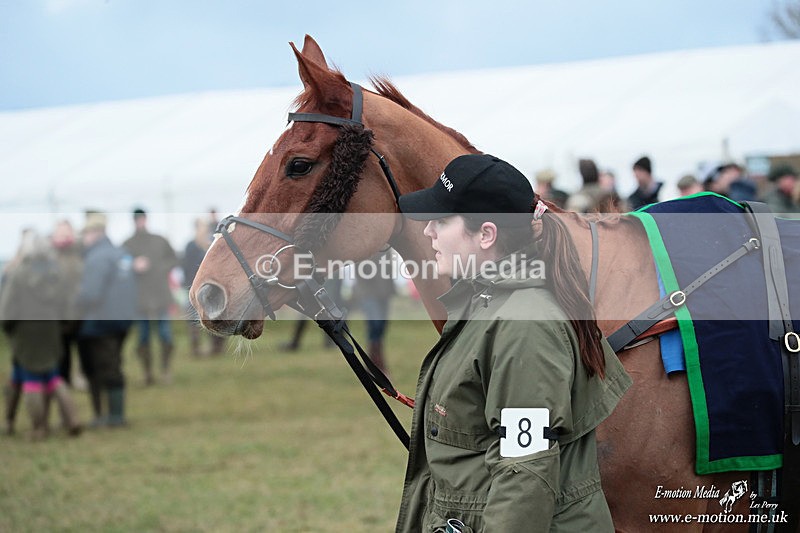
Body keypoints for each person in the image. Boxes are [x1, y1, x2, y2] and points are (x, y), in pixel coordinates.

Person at [394, 154, 631, 532]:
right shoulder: (488, 302)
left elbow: (526, 468)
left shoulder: (525, 325)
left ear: (486, 234)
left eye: (441, 221)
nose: (428, 233)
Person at [0, 231, 82, 439]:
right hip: (51, 332)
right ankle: (72, 419)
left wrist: (8, 329)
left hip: (25, 334)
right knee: (53, 377)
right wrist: (64, 327)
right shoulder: (57, 273)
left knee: (30, 380)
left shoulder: (18, 274)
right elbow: (67, 305)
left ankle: (39, 427)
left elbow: (7, 309)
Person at [76, 212, 136, 427]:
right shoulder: (122, 254)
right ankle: (114, 414)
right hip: (122, 320)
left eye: (85, 233)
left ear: (95, 233)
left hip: (99, 324)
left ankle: (110, 416)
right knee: (115, 364)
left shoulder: (96, 257)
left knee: (102, 369)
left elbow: (91, 294)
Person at [123, 208, 178, 385]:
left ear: (146, 219)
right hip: (140, 298)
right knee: (143, 339)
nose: (140, 222)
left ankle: (166, 370)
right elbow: (120, 265)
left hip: (161, 295)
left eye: (142, 219)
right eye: (137, 219)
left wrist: (160, 267)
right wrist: (133, 265)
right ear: (134, 221)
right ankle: (147, 373)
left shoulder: (159, 240)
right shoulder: (128, 244)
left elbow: (173, 259)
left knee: (166, 336)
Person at [182, 218, 225, 356]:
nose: (204, 229)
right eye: (202, 227)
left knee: (215, 316)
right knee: (194, 318)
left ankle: (216, 347)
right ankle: (196, 348)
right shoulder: (191, 246)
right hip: (194, 285)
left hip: (212, 285)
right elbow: (186, 267)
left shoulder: (211, 244)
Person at [351, 250, 396, 373]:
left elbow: (389, 268)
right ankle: (377, 362)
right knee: (375, 325)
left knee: (381, 326)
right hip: (367, 292)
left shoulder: (385, 246)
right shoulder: (364, 244)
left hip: (384, 292)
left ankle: (374, 360)